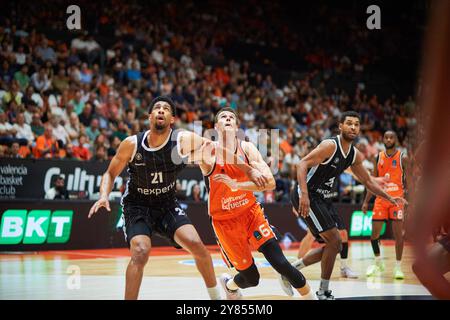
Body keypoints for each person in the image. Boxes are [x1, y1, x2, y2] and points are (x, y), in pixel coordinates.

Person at [87, 96, 266, 300]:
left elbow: (219, 150)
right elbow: (110, 173)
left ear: (172, 118)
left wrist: (249, 171)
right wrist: (103, 195)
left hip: (167, 205)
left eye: (165, 109)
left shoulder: (182, 140)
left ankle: (218, 297)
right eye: (157, 108)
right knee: (140, 252)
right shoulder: (131, 144)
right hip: (137, 205)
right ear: (150, 116)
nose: (161, 110)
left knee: (198, 246)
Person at [280, 111, 407, 299]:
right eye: (349, 123)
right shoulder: (330, 146)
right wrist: (304, 196)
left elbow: (368, 182)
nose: (353, 127)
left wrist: (390, 197)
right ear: (341, 126)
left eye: (356, 124)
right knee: (335, 241)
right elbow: (301, 164)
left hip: (323, 198)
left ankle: (289, 271)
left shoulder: (354, 155)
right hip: (307, 194)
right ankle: (322, 291)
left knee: (334, 245)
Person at [194, 107, 315, 300]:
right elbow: (186, 149)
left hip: (251, 213)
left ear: (237, 126)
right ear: (216, 126)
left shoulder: (247, 148)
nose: (227, 119)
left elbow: (270, 182)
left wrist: (237, 184)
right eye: (223, 117)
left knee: (281, 263)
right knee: (252, 278)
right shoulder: (208, 153)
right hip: (225, 222)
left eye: (231, 117)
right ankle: (230, 285)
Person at [362, 131, 409, 279]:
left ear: (396, 139)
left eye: (391, 137)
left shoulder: (403, 157)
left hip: (397, 200)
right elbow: (372, 181)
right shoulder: (379, 157)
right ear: (383, 140)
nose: (388, 139)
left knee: (398, 236)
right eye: (386, 137)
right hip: (381, 200)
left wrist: (410, 199)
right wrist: (365, 201)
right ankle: (378, 263)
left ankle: (398, 268)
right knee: (374, 235)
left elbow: (410, 181)